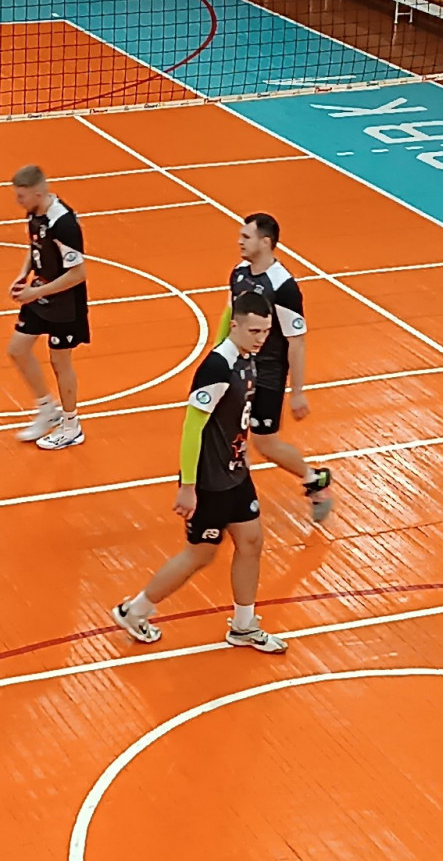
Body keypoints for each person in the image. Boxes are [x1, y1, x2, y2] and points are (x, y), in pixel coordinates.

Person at [108, 292, 289, 655]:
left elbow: (232, 312)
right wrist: (188, 487)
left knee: (251, 541)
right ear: (235, 326)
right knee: (200, 554)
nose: (261, 338)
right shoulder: (217, 368)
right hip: (211, 482)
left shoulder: (245, 355)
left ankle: (244, 625)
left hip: (236, 471)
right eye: (254, 330)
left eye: (266, 331)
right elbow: (192, 428)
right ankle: (135, 610)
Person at [225, 214, 334, 520]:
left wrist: (297, 392)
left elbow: (296, 342)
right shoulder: (239, 273)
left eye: (246, 237)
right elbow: (232, 318)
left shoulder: (282, 286)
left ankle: (314, 479)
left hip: (268, 376)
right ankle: (237, 501)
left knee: (266, 444)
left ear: (265, 242)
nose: (239, 242)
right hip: (240, 368)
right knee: (230, 435)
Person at [8, 166, 89, 451]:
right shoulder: (34, 212)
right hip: (40, 292)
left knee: (59, 362)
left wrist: (35, 292)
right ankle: (47, 409)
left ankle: (71, 426)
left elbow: (78, 273)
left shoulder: (63, 224)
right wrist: (23, 274)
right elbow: (35, 247)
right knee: (17, 349)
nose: (18, 202)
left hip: (65, 302)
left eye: (21, 196)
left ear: (38, 194)